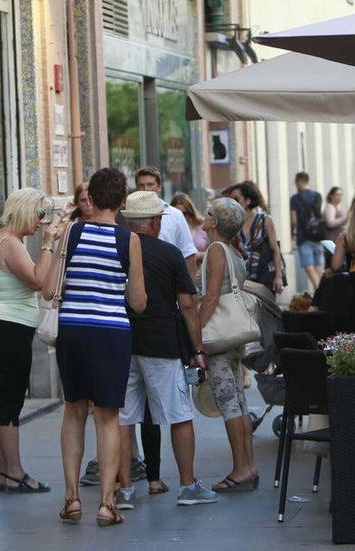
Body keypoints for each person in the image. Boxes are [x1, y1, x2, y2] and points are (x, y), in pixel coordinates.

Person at [45, 167, 147, 528]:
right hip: (110, 334)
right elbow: (137, 302)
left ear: (91, 196)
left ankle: (72, 498)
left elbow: (47, 288)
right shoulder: (128, 240)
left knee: (73, 411)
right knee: (107, 416)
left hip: (72, 330)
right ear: (121, 201)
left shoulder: (71, 233)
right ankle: (106, 503)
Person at [113, 192, 217, 509]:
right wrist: (197, 348)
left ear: (129, 222)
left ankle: (125, 489)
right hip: (161, 342)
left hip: (121, 341)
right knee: (178, 415)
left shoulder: (114, 250)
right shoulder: (169, 254)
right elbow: (187, 304)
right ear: (156, 223)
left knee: (122, 419)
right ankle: (188, 484)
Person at [0, 188, 64, 494]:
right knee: (12, 401)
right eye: (39, 214)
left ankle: (6, 472)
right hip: (11, 326)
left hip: (7, 326)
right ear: (24, 211)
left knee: (6, 400)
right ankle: (15, 472)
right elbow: (37, 280)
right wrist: (47, 247)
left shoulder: (3, 240)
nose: (41, 222)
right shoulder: (10, 243)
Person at [200, 197, 259, 492]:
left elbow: (211, 297)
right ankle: (248, 465)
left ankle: (241, 468)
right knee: (239, 400)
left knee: (228, 404)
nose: (204, 215)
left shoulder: (215, 250)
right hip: (235, 339)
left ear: (214, 222)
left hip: (219, 338)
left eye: (208, 212)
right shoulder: (234, 251)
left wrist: (195, 332)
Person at [135, 167, 199, 280]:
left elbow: (188, 253)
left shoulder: (175, 215)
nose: (145, 189)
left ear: (159, 187)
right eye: (141, 185)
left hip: (169, 281)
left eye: (150, 185)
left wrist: (191, 290)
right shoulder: (128, 216)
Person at [229, 182, 284, 295]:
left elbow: (275, 250)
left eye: (236, 199)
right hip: (243, 279)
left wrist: (278, 277)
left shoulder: (265, 221)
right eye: (231, 200)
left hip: (264, 276)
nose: (232, 203)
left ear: (248, 201)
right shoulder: (233, 223)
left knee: (265, 310)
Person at [290, 172, 325, 290]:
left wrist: (292, 232)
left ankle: (320, 294)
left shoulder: (295, 199)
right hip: (317, 235)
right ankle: (324, 292)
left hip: (303, 237)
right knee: (318, 267)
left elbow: (294, 220)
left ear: (299, 181)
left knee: (309, 268)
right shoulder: (317, 196)